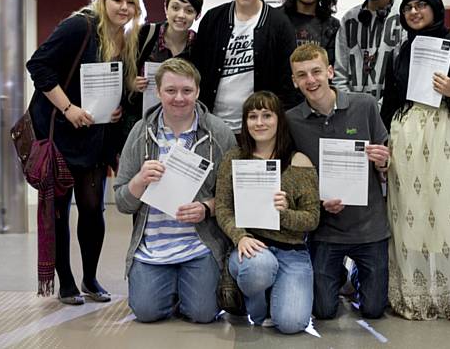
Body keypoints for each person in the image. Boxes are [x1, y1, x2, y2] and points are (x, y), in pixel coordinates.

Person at [26, 0, 144, 305]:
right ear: (103, 0)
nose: (123, 7)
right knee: (61, 210)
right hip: (62, 134)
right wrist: (68, 109)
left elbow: (108, 83)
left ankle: (90, 278)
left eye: (130, 2)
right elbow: (38, 65)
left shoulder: (125, 38)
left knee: (93, 210)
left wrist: (117, 106)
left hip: (96, 136)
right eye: (117, 0)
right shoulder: (80, 26)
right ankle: (66, 281)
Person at [380, 0, 450, 322]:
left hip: (444, 140)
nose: (414, 12)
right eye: (408, 7)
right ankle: (414, 296)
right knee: (408, 215)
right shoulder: (398, 52)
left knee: (446, 215)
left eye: (421, 5)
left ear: (436, 8)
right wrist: (384, 141)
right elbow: (389, 102)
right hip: (406, 140)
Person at [114, 58, 236, 323]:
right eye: (170, 90)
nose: (179, 98)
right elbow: (122, 202)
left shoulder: (219, 133)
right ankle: (170, 285)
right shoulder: (140, 133)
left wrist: (207, 207)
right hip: (152, 249)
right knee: (146, 313)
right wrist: (139, 181)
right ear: (158, 92)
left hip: (199, 246)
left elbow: (235, 195)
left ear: (198, 92)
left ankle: (184, 286)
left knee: (203, 314)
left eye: (187, 91)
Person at [286, 43, 391, 319]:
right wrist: (318, 202)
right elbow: (293, 179)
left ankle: (357, 274)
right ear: (294, 82)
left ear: (330, 71)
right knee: (323, 311)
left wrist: (383, 162)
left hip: (370, 227)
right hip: (326, 230)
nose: (311, 80)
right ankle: (338, 273)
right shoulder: (292, 121)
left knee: (373, 310)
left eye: (316, 71)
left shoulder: (365, 105)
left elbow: (386, 163)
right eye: (302, 75)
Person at [215, 91, 320, 333]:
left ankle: (275, 293)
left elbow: (312, 218)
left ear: (279, 120)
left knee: (292, 324)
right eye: (252, 116)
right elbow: (222, 207)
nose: (259, 122)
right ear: (245, 122)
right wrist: (240, 236)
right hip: (252, 247)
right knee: (259, 268)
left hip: (292, 252)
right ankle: (256, 306)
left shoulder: (299, 162)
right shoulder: (233, 158)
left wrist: (284, 213)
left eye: (266, 115)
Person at [192, 0, 299, 133]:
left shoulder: (279, 23)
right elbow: (195, 69)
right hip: (212, 124)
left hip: (259, 127)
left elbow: (288, 80)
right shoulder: (213, 19)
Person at [119, 0, 203, 149]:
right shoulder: (145, 35)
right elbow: (120, 72)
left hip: (181, 124)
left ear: (197, 15)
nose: (181, 15)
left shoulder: (200, 46)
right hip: (140, 121)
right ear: (166, 9)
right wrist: (131, 83)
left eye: (189, 10)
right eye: (175, 7)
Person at [332, 0, 405, 104]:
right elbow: (340, 75)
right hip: (354, 115)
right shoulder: (348, 19)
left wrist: (380, 110)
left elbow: (407, 76)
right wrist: (352, 110)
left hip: (393, 113)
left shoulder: (405, 16)